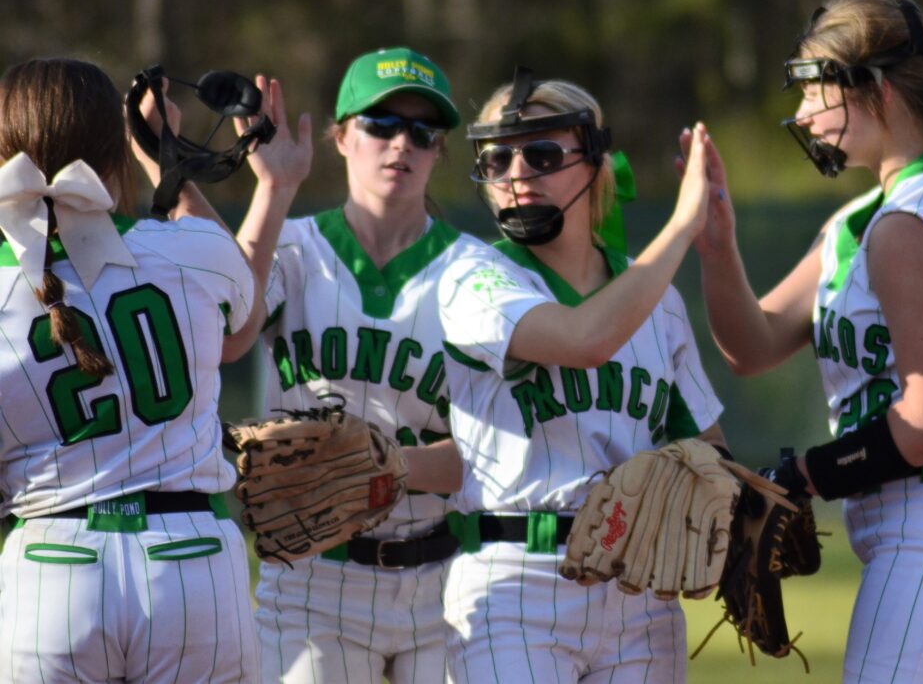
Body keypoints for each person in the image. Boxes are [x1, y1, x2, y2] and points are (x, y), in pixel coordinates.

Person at [695, 0, 923, 683]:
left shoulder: (905, 224)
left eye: (815, 89)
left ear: (876, 89)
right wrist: (718, 240)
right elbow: (751, 346)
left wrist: (807, 473)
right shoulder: (865, 221)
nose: (803, 114)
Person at [437, 67, 726, 682]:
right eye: (495, 161)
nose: (516, 174)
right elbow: (585, 340)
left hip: (640, 591)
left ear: (595, 162)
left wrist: (722, 498)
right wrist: (683, 225)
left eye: (540, 153)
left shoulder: (657, 300)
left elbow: (707, 446)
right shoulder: (471, 275)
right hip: (516, 583)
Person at [0, 57, 259, 682]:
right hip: (191, 561)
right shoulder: (190, 249)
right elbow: (243, 320)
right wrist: (157, 152)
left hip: (50, 566)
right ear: (114, 148)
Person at [231, 46, 479, 684]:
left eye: (424, 132)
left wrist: (389, 467)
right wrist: (273, 189)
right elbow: (229, 331)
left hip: (445, 581)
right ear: (340, 137)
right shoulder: (289, 250)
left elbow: (495, 454)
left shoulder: (477, 273)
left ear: (439, 151)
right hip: (313, 581)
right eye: (381, 124)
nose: (403, 142)